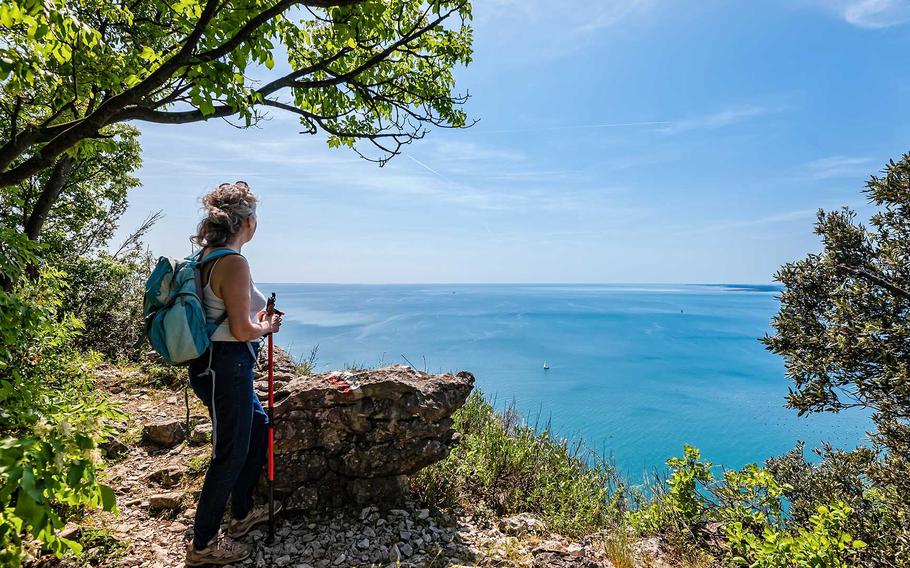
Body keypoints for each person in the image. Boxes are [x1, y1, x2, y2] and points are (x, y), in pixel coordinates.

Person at [185, 181, 284, 566]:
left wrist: (255, 321)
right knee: (229, 453)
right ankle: (203, 545)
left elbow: (229, 317)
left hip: (216, 366)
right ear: (247, 223)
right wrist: (268, 328)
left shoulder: (207, 256)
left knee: (257, 431)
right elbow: (242, 331)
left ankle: (241, 515)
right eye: (254, 216)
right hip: (226, 366)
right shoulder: (233, 261)